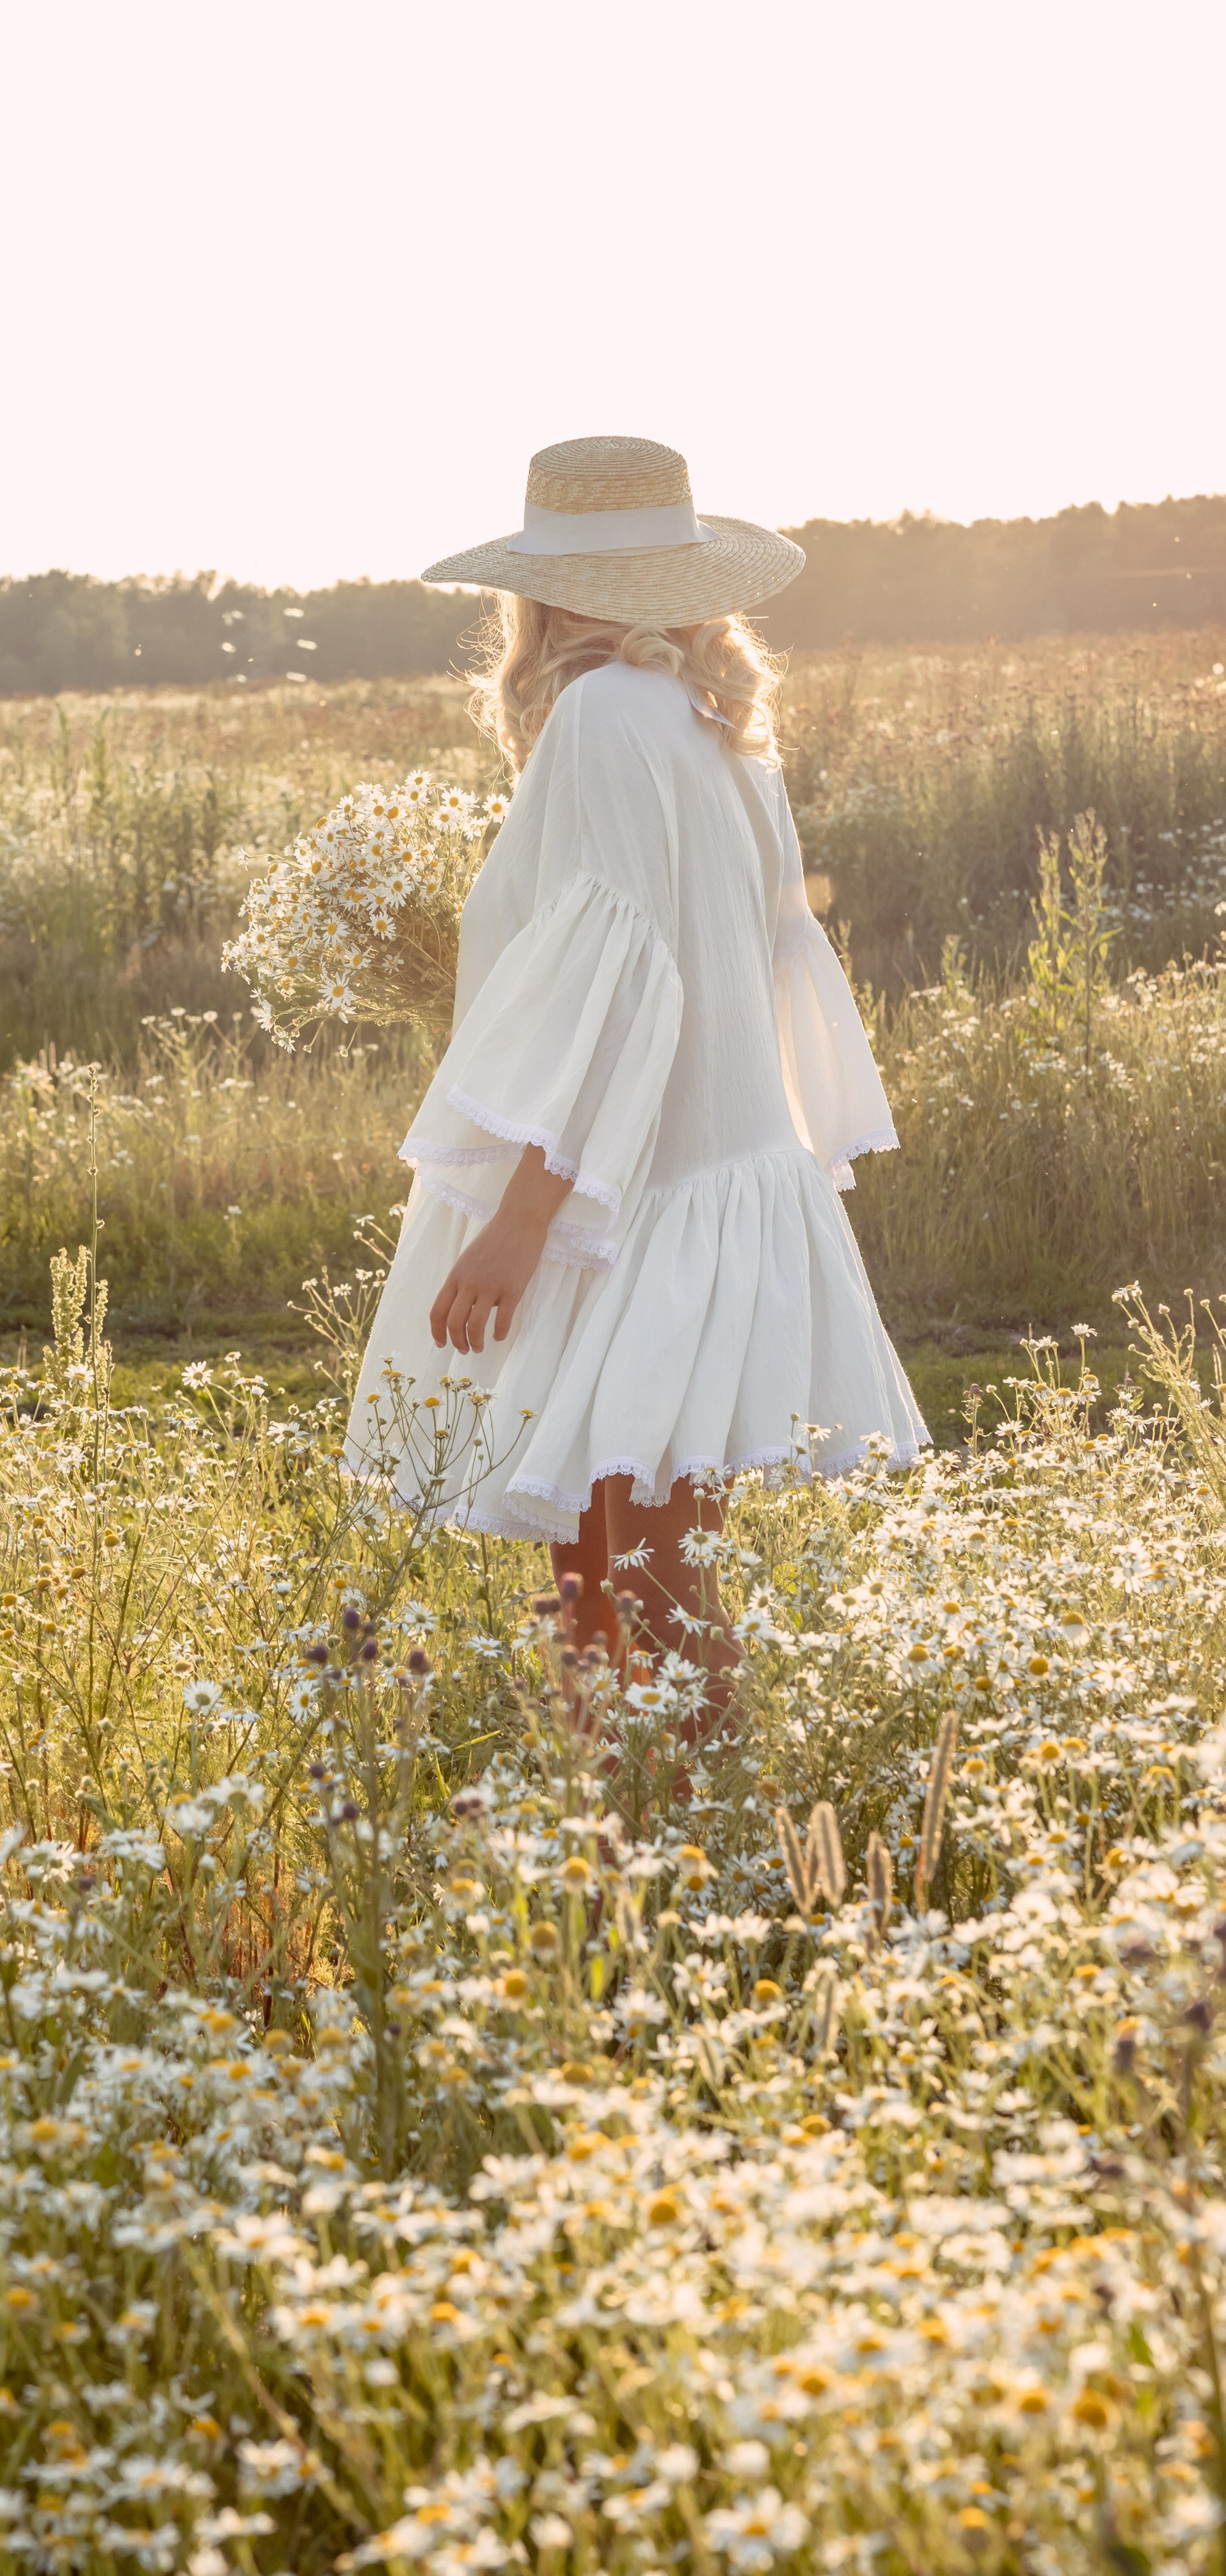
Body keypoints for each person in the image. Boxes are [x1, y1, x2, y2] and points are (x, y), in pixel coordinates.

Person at [344, 436, 925, 1727]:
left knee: (644, 1583)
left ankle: (693, 1814)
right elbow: (727, 967)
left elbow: (624, 986)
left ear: (542, 590)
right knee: (614, 1570)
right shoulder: (717, 721)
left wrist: (521, 1220)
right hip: (685, 1175)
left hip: (629, 1195)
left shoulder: (610, 713)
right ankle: (626, 1813)